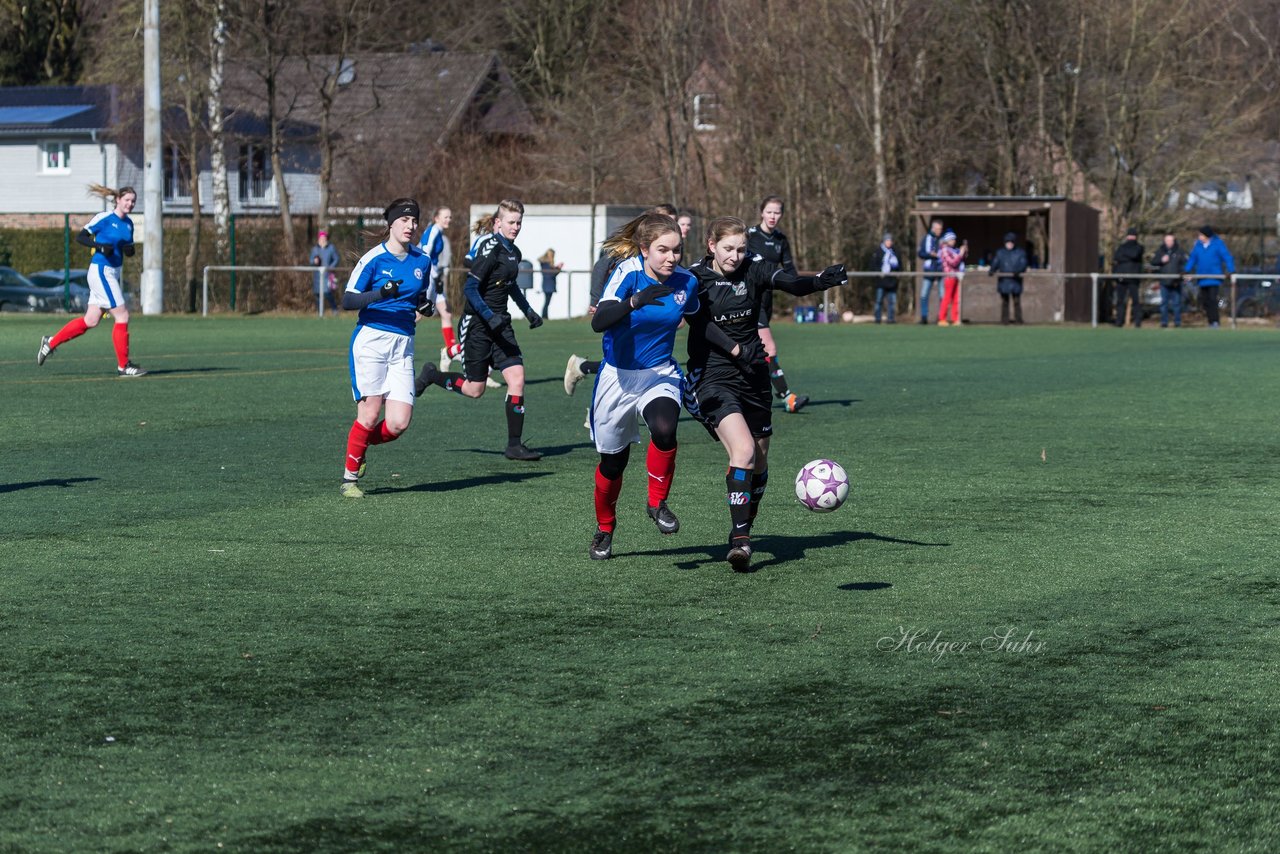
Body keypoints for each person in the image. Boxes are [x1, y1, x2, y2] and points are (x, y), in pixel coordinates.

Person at [684, 216, 847, 571]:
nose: (735, 256)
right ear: (712, 245)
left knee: (759, 460)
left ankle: (745, 526)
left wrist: (818, 282)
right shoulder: (695, 277)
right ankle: (741, 540)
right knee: (742, 451)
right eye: (728, 248)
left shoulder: (753, 269)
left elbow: (787, 281)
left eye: (742, 249)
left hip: (754, 376)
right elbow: (701, 324)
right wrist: (737, 350)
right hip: (714, 375)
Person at [587, 213, 700, 560]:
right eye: (663, 250)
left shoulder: (686, 282)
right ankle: (605, 529)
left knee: (665, 429)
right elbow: (599, 322)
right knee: (612, 464)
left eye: (677, 251)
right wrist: (635, 301)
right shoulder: (627, 273)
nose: (671, 258)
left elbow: (699, 321)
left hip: (659, 373)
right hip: (617, 378)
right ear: (644, 249)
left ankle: (657, 502)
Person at [414, 199, 544, 461]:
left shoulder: (513, 252)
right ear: (498, 223)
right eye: (511, 222)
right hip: (477, 326)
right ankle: (432, 375)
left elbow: (510, 286)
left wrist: (528, 310)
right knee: (475, 390)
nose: (516, 227)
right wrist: (487, 316)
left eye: (519, 222)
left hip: (501, 325)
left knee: (517, 378)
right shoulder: (490, 249)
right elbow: (470, 289)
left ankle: (514, 445)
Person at [338, 198, 434, 498]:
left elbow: (419, 299)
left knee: (398, 423)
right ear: (391, 223)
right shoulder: (373, 259)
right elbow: (348, 300)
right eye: (404, 220)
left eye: (414, 220)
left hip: (403, 344)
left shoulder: (423, 260)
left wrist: (425, 307)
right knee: (368, 416)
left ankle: (361, 444)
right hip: (372, 341)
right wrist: (380, 293)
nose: (411, 225)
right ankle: (349, 479)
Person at [565, 204, 680, 398]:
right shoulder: (628, 256)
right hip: (624, 311)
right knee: (619, 359)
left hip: (646, 314)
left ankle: (584, 369)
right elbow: (601, 267)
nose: (675, 227)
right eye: (667, 221)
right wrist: (598, 300)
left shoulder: (669, 255)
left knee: (639, 359)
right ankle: (589, 382)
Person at [38, 184, 145, 376]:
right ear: (118, 200)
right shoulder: (104, 218)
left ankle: (50, 342)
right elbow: (81, 237)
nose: (130, 203)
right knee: (122, 315)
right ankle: (124, 366)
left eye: (133, 201)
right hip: (101, 271)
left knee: (91, 320)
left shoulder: (128, 224)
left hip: (113, 272)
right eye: (127, 200)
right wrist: (99, 246)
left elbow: (129, 249)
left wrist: (129, 250)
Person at [746, 195, 809, 413]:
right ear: (762, 212)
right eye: (769, 211)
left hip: (767, 299)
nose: (773, 216)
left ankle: (746, 393)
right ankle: (787, 396)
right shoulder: (750, 236)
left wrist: (806, 286)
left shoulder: (781, 239)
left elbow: (790, 270)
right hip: (750, 299)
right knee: (769, 347)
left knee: (757, 349)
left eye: (777, 212)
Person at [419, 206, 459, 365]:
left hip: (434, 277)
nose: (449, 219)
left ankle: (450, 350)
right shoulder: (434, 230)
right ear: (436, 218)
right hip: (429, 277)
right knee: (417, 314)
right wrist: (434, 276)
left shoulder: (439, 232)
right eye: (445, 217)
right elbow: (425, 252)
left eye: (450, 217)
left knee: (446, 313)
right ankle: (394, 337)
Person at [1183, 224, 1234, 328]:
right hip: (1202, 278)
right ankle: (1211, 321)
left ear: (1207, 235)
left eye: (1201, 235)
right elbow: (1193, 259)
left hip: (1214, 278)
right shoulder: (1198, 245)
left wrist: (1231, 270)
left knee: (1212, 300)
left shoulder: (1218, 244)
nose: (1199, 237)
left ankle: (1215, 322)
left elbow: (1227, 257)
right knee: (1205, 301)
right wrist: (1186, 270)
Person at [989, 231, 1029, 324]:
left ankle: (1018, 320)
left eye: (1011, 242)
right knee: (1005, 302)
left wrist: (1018, 271)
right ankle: (1004, 320)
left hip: (1015, 280)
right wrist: (992, 270)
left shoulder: (1020, 253)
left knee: (1016, 301)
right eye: (1008, 242)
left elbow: (1023, 263)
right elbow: (996, 262)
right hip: (1004, 281)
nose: (1009, 244)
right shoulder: (1000, 253)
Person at [1149, 232, 1187, 328]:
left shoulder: (1179, 251)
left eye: (1171, 240)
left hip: (1176, 282)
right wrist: (1161, 260)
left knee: (1177, 303)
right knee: (1164, 303)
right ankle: (1164, 322)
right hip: (1164, 282)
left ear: (1174, 241)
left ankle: (1177, 322)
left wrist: (1184, 274)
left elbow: (1185, 264)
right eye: (1167, 240)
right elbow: (1153, 262)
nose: (1169, 242)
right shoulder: (1160, 251)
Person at [1112, 227, 1145, 328]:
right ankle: (1119, 321)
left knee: (1135, 300)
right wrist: (1129, 257)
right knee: (1120, 301)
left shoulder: (1139, 247)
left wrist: (1125, 256)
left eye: (1132, 236)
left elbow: (1135, 255)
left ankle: (1137, 322)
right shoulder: (1122, 247)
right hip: (1121, 277)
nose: (1131, 238)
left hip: (1133, 278)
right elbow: (1116, 257)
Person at [936, 230, 967, 326]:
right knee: (947, 298)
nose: (953, 241)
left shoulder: (953, 250)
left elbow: (961, 260)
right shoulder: (945, 250)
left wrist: (964, 252)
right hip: (949, 276)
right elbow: (953, 262)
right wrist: (960, 254)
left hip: (956, 276)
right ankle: (942, 318)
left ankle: (955, 319)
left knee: (955, 299)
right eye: (951, 239)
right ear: (947, 240)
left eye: (954, 239)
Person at [916, 218, 944, 324]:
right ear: (933, 228)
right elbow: (920, 253)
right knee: (924, 295)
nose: (939, 231)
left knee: (942, 296)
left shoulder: (942, 239)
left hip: (940, 270)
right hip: (929, 270)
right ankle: (924, 317)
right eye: (938, 229)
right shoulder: (926, 238)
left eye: (941, 229)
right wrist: (930, 255)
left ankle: (941, 317)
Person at [870, 232, 901, 323]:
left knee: (892, 301)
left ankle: (891, 319)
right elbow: (873, 265)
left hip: (892, 281)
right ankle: (878, 319)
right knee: (879, 300)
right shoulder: (877, 251)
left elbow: (899, 265)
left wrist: (898, 274)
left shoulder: (895, 252)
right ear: (884, 241)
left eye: (890, 240)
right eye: (887, 240)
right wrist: (879, 273)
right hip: (881, 281)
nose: (889, 242)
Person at [310, 230, 340, 315]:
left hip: (327, 275)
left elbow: (336, 259)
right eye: (321, 238)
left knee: (327, 293)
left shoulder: (331, 248)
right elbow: (311, 261)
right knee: (317, 294)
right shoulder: (315, 249)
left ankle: (334, 309)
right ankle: (320, 312)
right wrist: (314, 261)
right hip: (317, 276)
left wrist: (331, 267)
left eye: (324, 238)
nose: (323, 240)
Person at [538, 248, 563, 318]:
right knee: (547, 302)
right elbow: (552, 274)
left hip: (547, 285)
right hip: (548, 285)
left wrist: (557, 268)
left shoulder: (545, 264)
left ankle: (545, 316)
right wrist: (558, 268)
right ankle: (544, 316)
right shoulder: (547, 264)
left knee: (547, 302)